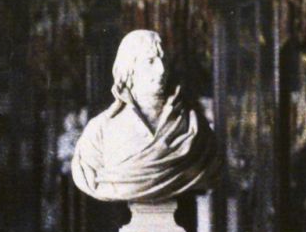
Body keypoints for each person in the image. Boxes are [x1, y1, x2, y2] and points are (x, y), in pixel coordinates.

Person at [70, 30, 221, 205]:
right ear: (129, 69)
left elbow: (210, 165)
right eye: (150, 61)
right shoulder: (99, 131)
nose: (161, 70)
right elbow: (89, 173)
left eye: (163, 59)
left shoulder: (194, 125)